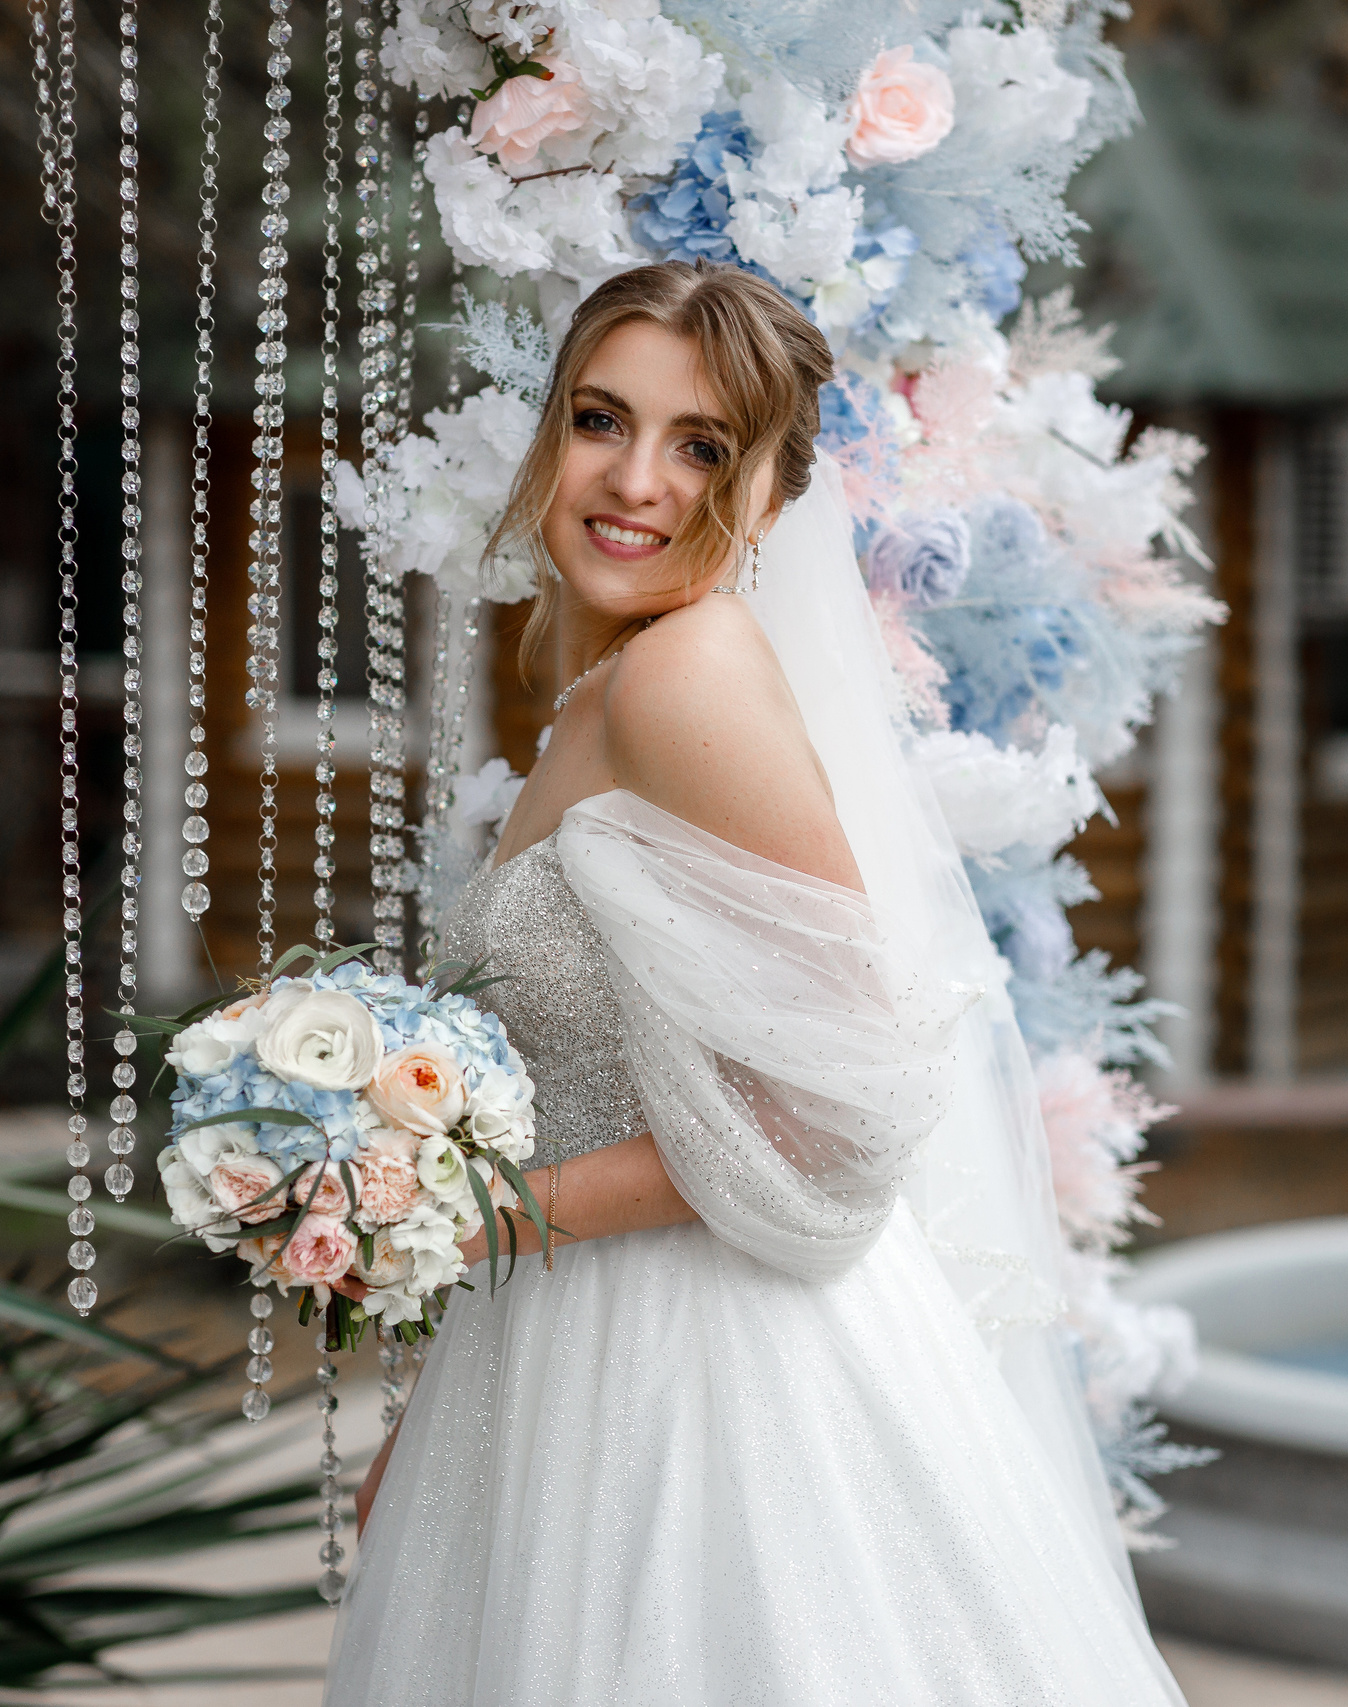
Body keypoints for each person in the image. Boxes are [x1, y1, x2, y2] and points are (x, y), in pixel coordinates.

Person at [322, 260, 1186, 1706]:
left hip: (716, 1386)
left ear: (773, 490)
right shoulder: (613, 687)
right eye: (602, 420)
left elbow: (840, 1118)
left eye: (702, 445)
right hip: (560, 1355)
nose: (636, 479)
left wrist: (454, 1218)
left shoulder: (686, 681)